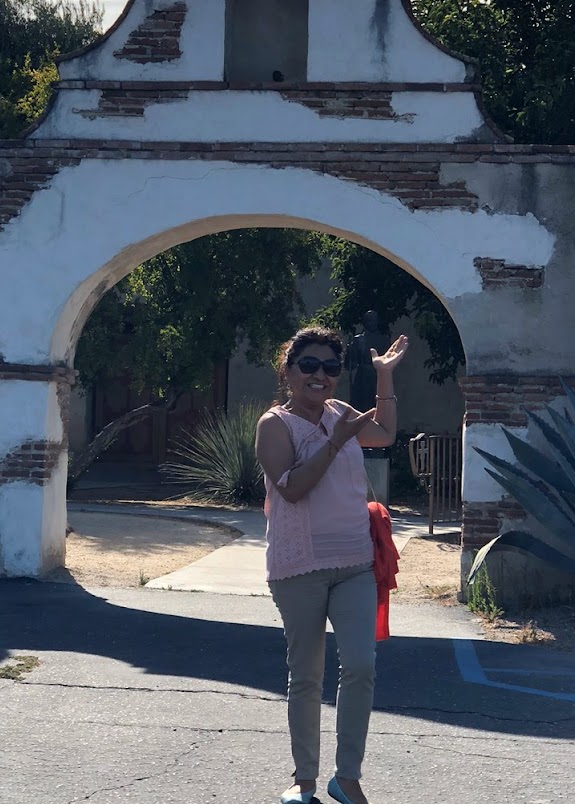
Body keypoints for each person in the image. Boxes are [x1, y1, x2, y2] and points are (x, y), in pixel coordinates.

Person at [255, 325, 409, 804]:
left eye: (330, 367)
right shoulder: (274, 425)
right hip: (299, 565)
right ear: (288, 371)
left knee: (361, 665)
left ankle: (347, 777)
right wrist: (335, 441)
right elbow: (293, 488)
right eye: (309, 365)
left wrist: (383, 376)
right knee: (306, 674)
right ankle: (303, 780)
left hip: (355, 561)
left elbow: (384, 434)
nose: (319, 375)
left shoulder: (340, 412)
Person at [346, 311, 391, 414]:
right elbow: (350, 366)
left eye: (374, 320)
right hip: (362, 379)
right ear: (364, 322)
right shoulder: (358, 340)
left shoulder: (384, 339)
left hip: (378, 378)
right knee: (360, 408)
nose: (372, 322)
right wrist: (350, 352)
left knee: (379, 406)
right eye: (369, 320)